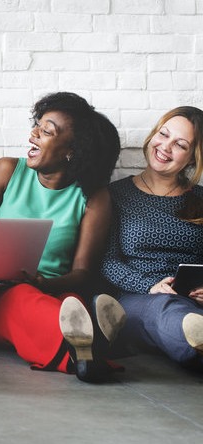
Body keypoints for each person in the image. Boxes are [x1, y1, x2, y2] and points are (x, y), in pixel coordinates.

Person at [0, 92, 123, 383]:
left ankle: (86, 351)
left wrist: (43, 283)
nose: (33, 134)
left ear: (71, 151)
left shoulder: (93, 197)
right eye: (37, 125)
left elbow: (83, 273)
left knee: (70, 302)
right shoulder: (6, 171)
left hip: (56, 291)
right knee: (26, 299)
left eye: (46, 131)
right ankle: (96, 343)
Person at [100, 106, 203, 371]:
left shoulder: (200, 199)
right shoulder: (115, 195)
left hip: (192, 299)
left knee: (182, 314)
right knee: (166, 310)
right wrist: (150, 286)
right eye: (163, 134)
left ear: (192, 158)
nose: (165, 147)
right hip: (138, 298)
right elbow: (107, 261)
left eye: (179, 144)